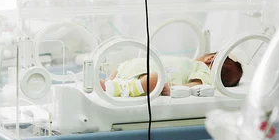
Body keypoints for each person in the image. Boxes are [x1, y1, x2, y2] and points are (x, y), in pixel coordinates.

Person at [100, 53, 243, 97]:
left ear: (210, 58)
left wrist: (177, 87)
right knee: (154, 77)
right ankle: (113, 84)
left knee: (156, 78)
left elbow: (199, 83)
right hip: (142, 67)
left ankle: (120, 85)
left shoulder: (203, 69)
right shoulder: (190, 64)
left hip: (136, 66)